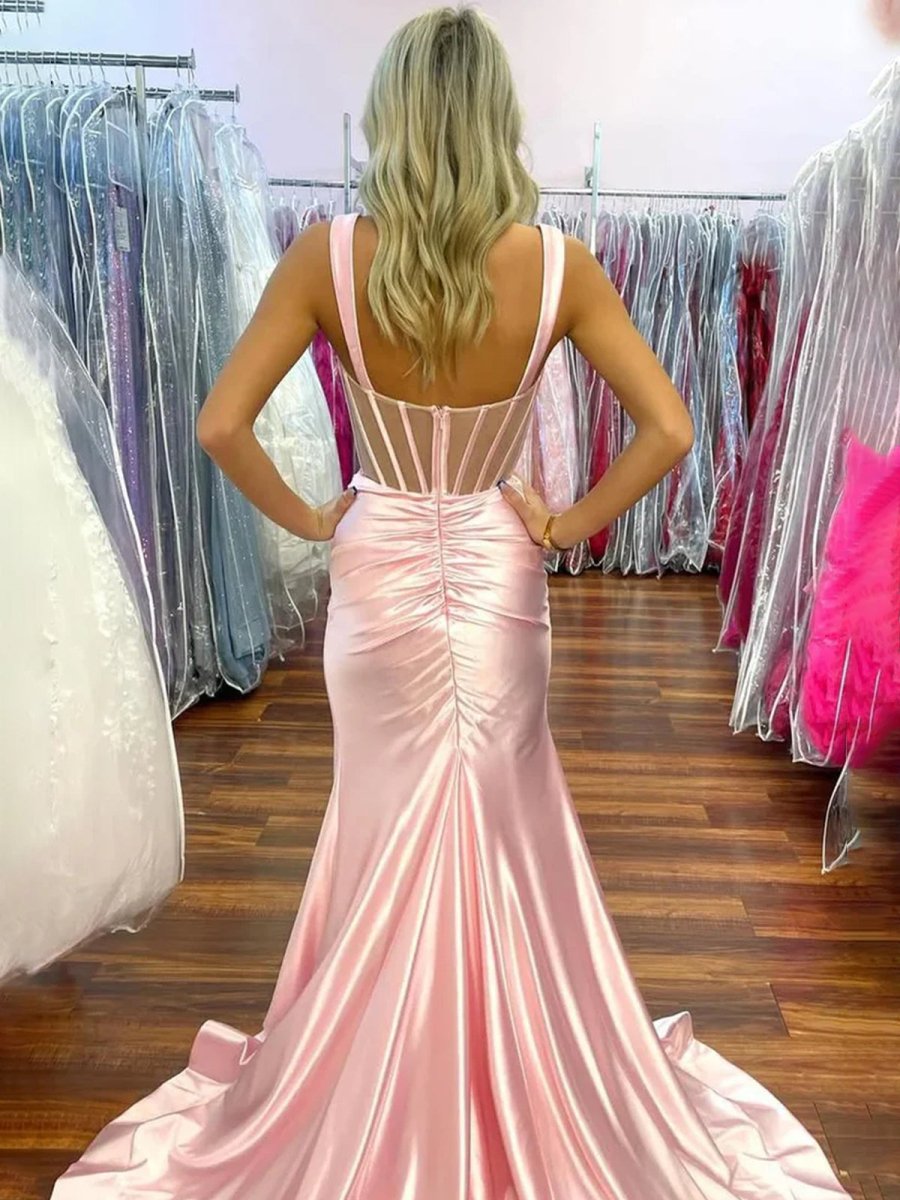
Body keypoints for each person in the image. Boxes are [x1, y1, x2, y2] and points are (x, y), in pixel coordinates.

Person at [52, 8, 849, 1198]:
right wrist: (567, 524)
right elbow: (672, 429)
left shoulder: (328, 257)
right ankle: (512, 1071)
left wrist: (313, 516)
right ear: (497, 124)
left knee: (382, 830)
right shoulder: (559, 265)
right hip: (496, 569)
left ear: (390, 119)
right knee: (502, 825)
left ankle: (384, 1083)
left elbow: (220, 423)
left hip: (377, 572)